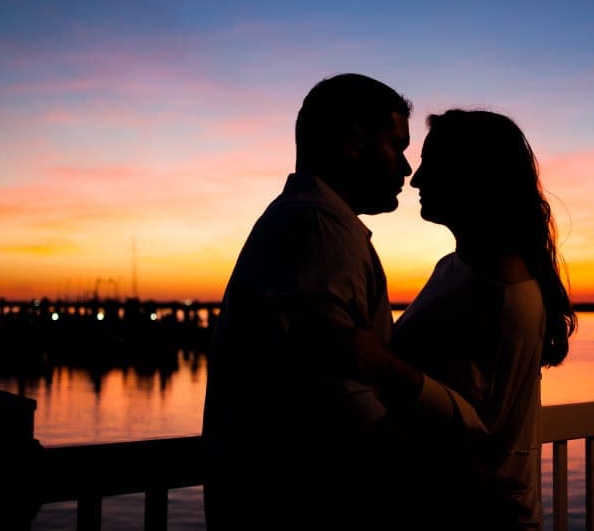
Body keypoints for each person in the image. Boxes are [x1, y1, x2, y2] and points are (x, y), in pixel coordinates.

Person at [200, 74, 488, 530]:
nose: (407, 169)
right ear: (355, 140)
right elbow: (340, 399)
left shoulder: (307, 225)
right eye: (397, 145)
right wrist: (443, 481)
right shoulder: (320, 233)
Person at [353, 108, 577, 529]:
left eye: (431, 165)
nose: (416, 180)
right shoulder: (456, 267)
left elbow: (478, 431)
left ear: (473, 175)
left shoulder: (502, 294)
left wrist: (382, 365)